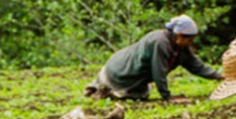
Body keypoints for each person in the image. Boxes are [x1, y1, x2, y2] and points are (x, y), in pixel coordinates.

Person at [84, 15, 222, 102]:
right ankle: (103, 90)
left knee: (141, 95)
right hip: (120, 71)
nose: (191, 43)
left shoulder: (179, 47)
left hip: (133, 75)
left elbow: (195, 65)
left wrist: (219, 76)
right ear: (179, 35)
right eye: (190, 39)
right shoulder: (160, 42)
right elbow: (158, 71)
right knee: (135, 97)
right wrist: (168, 97)